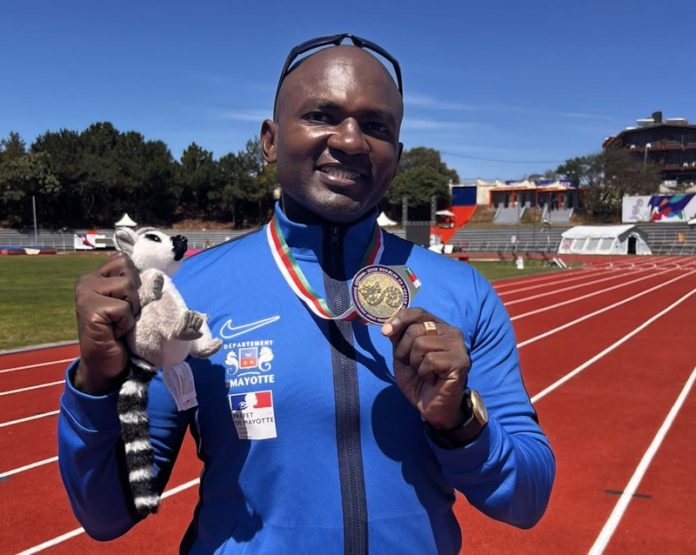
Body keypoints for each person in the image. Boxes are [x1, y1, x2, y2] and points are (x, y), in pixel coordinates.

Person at [58, 33, 555, 554]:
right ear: (270, 140)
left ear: (397, 153)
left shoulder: (464, 292)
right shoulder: (188, 296)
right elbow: (108, 514)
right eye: (321, 115)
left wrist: (458, 424)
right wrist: (95, 382)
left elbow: (527, 500)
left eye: (376, 126)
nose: (349, 140)